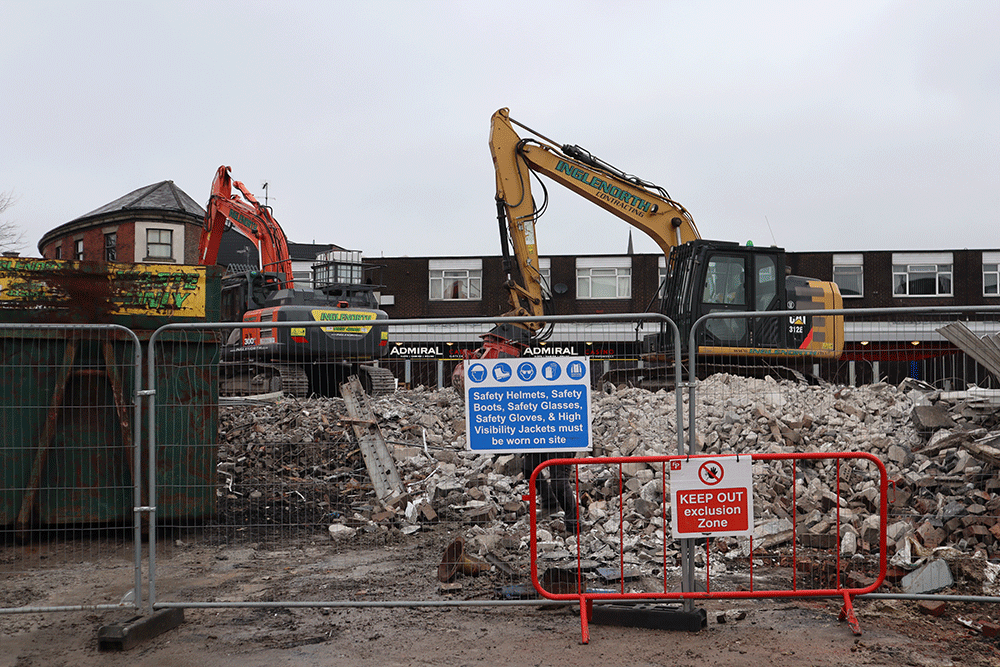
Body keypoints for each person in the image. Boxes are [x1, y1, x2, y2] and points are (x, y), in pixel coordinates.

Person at [522, 452, 578, 532]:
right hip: (545, 445)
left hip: (562, 446)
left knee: (559, 483)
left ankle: (573, 526)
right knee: (528, 467)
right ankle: (550, 501)